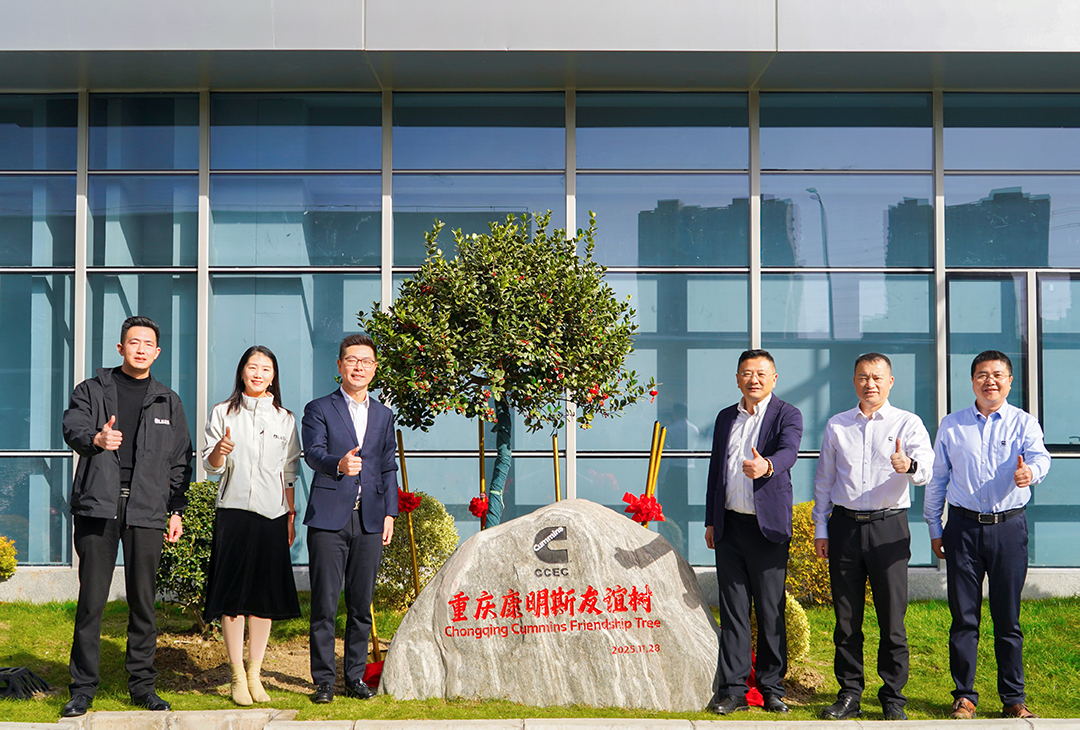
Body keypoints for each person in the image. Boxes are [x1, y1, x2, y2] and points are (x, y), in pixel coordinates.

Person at [60, 316, 192, 718]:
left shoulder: (167, 400)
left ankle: (142, 686)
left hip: (147, 509)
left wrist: (176, 509)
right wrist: (96, 439)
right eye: (133, 342)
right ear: (120, 348)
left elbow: (180, 461)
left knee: (144, 603)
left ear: (157, 352)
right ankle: (82, 689)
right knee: (92, 601)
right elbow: (72, 428)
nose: (140, 349)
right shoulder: (91, 390)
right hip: (98, 507)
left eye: (147, 344)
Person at [924, 350, 1050, 720]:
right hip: (962, 529)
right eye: (982, 375)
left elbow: (1040, 458)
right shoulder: (952, 425)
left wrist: (1030, 474)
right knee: (964, 618)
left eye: (997, 375)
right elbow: (938, 478)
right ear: (972, 381)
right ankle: (964, 696)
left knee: (1008, 619)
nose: (989, 381)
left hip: (1008, 528)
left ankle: (1013, 699)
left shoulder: (1024, 423)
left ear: (1009, 381)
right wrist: (934, 527)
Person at [812, 353, 934, 721]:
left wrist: (908, 465)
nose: (871, 384)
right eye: (863, 377)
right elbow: (824, 480)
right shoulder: (838, 425)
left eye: (878, 377)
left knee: (892, 619)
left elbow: (926, 470)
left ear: (890, 382)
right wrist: (821, 528)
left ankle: (893, 697)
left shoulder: (907, 423)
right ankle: (850, 694)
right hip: (844, 527)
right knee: (846, 620)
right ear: (854, 381)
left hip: (888, 526)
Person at [704, 349, 803, 715]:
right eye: (747, 373)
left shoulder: (787, 414)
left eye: (761, 373)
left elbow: (790, 452)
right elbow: (716, 471)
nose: (754, 379)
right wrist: (711, 521)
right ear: (737, 379)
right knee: (733, 610)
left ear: (774, 379)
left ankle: (772, 687)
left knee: (770, 609)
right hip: (729, 526)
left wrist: (768, 466)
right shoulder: (724, 417)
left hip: (767, 528)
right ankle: (734, 690)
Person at [202, 345, 302, 706]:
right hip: (233, 512)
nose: (258, 374)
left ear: (273, 376)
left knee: (263, 599)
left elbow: (289, 472)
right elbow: (210, 466)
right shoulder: (223, 412)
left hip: (272, 515)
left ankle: (255, 674)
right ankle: (236, 676)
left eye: (266, 369)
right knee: (232, 599)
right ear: (242, 372)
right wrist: (220, 451)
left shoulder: (285, 419)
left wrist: (290, 515)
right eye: (252, 367)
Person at [302, 333, 398, 703]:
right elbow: (313, 453)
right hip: (329, 518)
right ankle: (324, 681)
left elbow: (388, 467)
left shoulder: (384, 415)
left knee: (361, 604)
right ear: (340, 365)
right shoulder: (319, 408)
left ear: (374, 369)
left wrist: (390, 512)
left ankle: (355, 678)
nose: (359, 367)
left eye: (366, 361)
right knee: (325, 604)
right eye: (352, 360)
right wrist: (338, 465)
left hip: (371, 519)